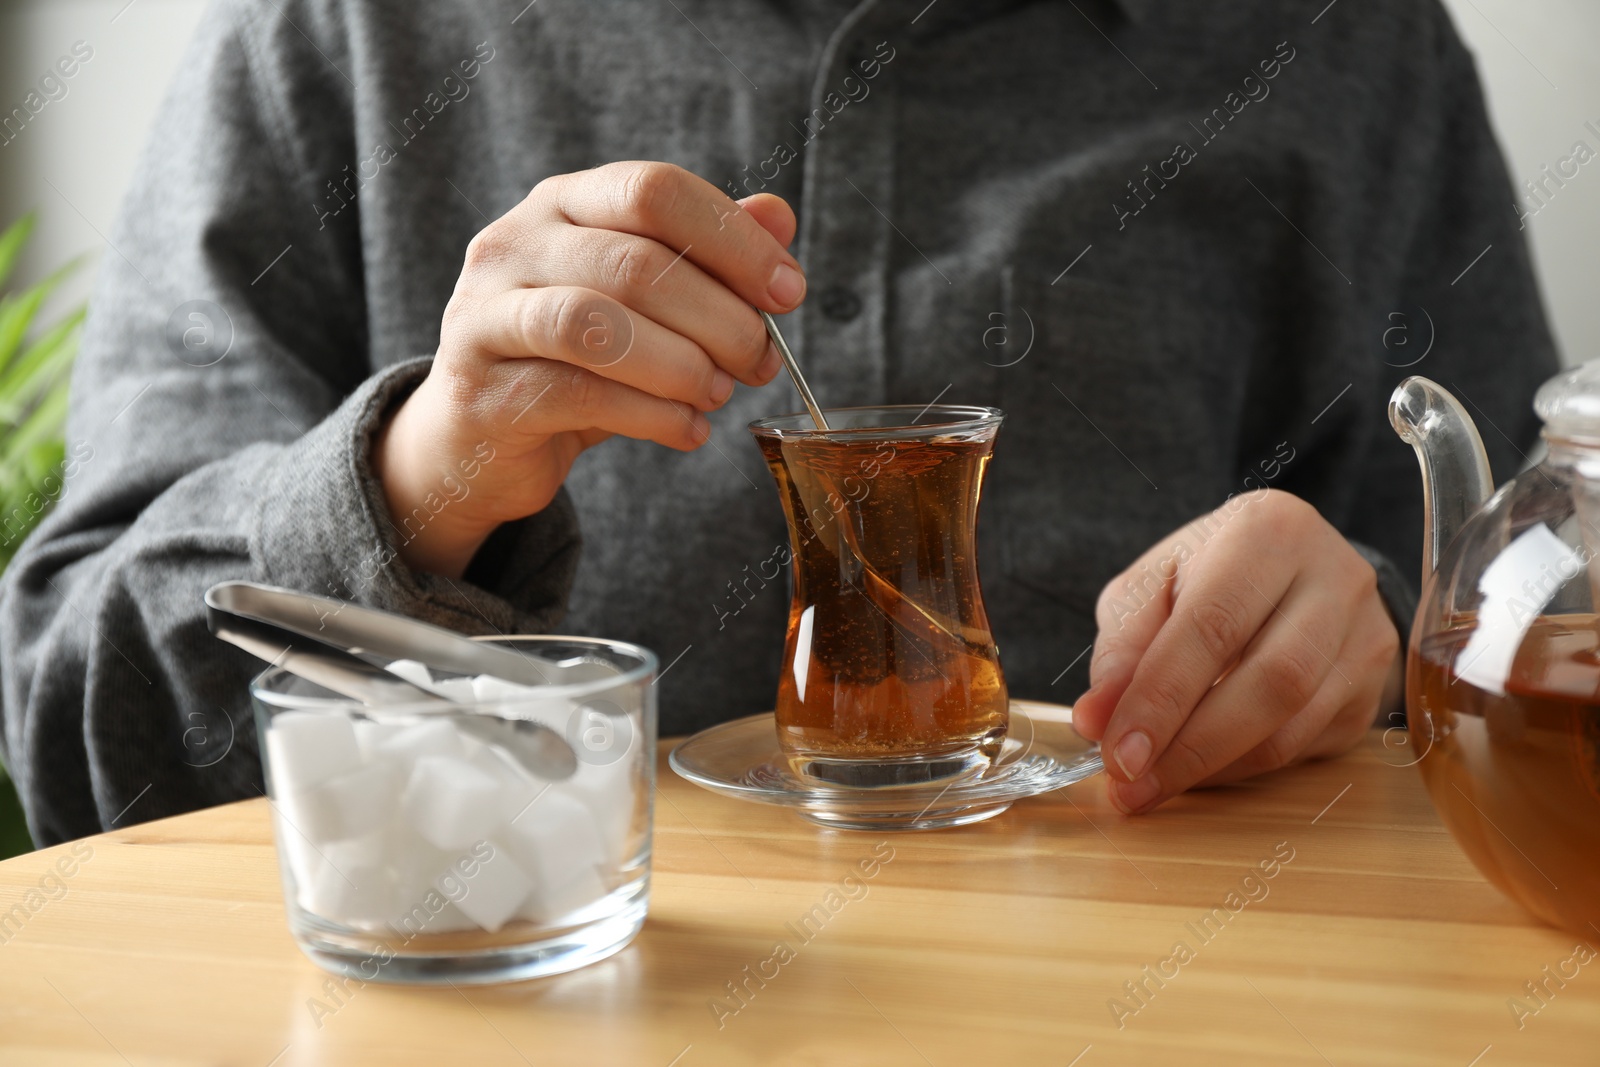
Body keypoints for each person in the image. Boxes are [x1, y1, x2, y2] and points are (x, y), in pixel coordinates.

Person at [0, 0, 1556, 845]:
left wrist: (1360, 626)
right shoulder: (332, 35)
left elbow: (1527, 621)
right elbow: (93, 753)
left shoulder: (1350, 45)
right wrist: (425, 474)